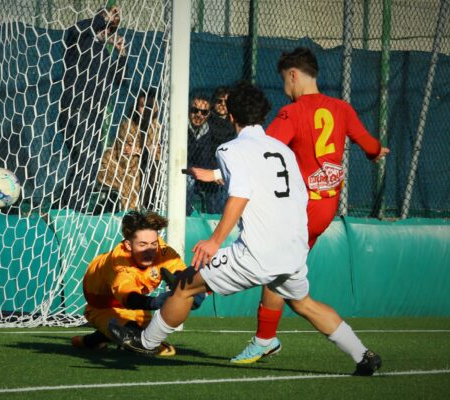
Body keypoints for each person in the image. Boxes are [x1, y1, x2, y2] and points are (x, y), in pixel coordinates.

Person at [108, 81, 382, 376]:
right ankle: (362, 354)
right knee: (304, 304)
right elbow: (282, 189)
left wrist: (214, 241)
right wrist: (215, 175)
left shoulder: (229, 148)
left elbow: (241, 193)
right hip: (293, 250)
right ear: (263, 115)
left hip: (257, 254)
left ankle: (147, 342)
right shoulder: (282, 149)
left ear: (230, 116)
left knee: (186, 288)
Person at [184, 48, 390, 364]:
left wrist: (214, 174)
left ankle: (215, 303)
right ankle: (350, 352)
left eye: (284, 80)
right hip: (326, 209)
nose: (284, 88)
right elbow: (369, 144)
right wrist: (377, 153)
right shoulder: (342, 108)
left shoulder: (291, 113)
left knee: (277, 271)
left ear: (293, 75)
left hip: (298, 209)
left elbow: (260, 155)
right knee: (282, 276)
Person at [71, 210, 197, 356]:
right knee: (136, 338)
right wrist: (156, 302)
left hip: (134, 300)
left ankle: (92, 340)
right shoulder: (120, 266)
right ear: (128, 245)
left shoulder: (161, 250)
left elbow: (180, 271)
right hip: (102, 304)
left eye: (153, 243)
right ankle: (90, 339)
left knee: (153, 339)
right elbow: (130, 298)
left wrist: (191, 290)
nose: (149, 250)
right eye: (142, 244)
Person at [56, 5, 128, 212]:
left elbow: (119, 79)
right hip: (76, 109)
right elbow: (74, 31)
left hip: (95, 114)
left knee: (87, 162)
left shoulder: (104, 53)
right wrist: (103, 17)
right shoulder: (81, 42)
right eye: (108, 22)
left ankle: (68, 206)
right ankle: (72, 208)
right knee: (86, 160)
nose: (110, 28)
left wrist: (121, 55)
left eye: (114, 26)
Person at [186, 93, 235, 215]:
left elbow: (205, 158)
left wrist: (214, 174)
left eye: (203, 112)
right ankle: (184, 217)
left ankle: (215, 218)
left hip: (199, 171)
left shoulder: (207, 131)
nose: (199, 114)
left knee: (220, 180)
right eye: (195, 110)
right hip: (184, 171)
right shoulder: (181, 127)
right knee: (188, 180)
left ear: (208, 114)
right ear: (188, 110)